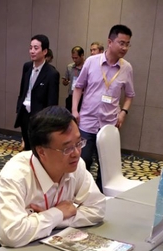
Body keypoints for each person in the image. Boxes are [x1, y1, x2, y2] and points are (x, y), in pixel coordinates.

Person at [0, 106, 106, 249]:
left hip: (49, 238)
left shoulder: (75, 166)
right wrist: (59, 212)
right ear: (41, 152)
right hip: (2, 250)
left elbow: (97, 209)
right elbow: (12, 235)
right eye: (67, 148)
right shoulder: (15, 176)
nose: (76, 153)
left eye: (78, 143)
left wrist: (54, 219)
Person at [73, 24, 135, 189]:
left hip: (109, 124)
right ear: (110, 42)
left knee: (105, 166)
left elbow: (130, 95)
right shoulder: (91, 62)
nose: (124, 48)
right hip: (87, 122)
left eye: (127, 44)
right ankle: (81, 193)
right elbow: (78, 87)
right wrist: (74, 110)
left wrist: (123, 112)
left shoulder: (126, 68)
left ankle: (101, 195)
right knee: (83, 160)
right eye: (121, 43)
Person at [14, 34, 60, 151]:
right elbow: (23, 90)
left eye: (36, 48)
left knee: (38, 149)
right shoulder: (27, 67)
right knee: (27, 147)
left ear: (45, 51)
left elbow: (52, 102)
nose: (32, 51)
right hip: (25, 113)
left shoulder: (52, 73)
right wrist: (19, 107)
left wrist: (47, 122)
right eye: (30, 48)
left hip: (39, 117)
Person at [62, 46, 85, 112]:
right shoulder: (69, 67)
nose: (74, 60)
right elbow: (65, 82)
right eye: (73, 58)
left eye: (76, 58)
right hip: (71, 96)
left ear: (82, 55)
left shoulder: (87, 67)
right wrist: (65, 82)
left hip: (83, 98)